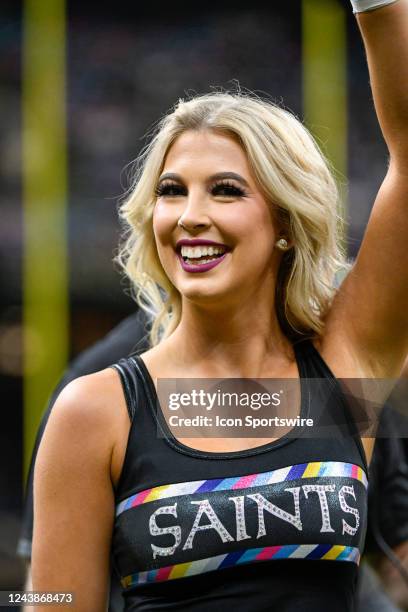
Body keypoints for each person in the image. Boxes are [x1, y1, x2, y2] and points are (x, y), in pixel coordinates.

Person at [31, 1, 408, 610]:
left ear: (286, 220)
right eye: (171, 191)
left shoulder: (343, 368)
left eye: (226, 191)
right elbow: (49, 604)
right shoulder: (94, 410)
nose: (190, 216)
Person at [19, 311, 408, 612]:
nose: (194, 218)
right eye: (172, 200)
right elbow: (54, 591)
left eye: (228, 199)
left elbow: (398, 552)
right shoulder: (101, 391)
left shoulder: (328, 373)